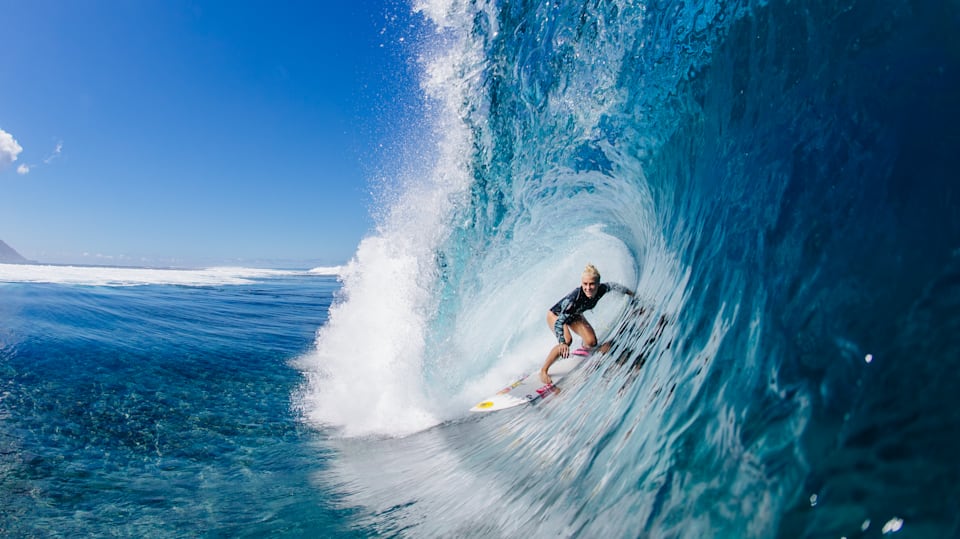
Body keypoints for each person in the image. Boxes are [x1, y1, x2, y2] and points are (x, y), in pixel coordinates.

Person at [540, 264, 634, 385]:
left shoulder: (602, 289)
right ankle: (544, 370)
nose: (588, 288)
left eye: (591, 284)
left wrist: (632, 294)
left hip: (574, 314)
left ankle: (584, 348)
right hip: (557, 315)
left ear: (598, 284)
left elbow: (614, 286)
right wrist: (562, 342)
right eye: (585, 284)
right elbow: (560, 321)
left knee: (592, 342)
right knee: (568, 340)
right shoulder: (573, 300)